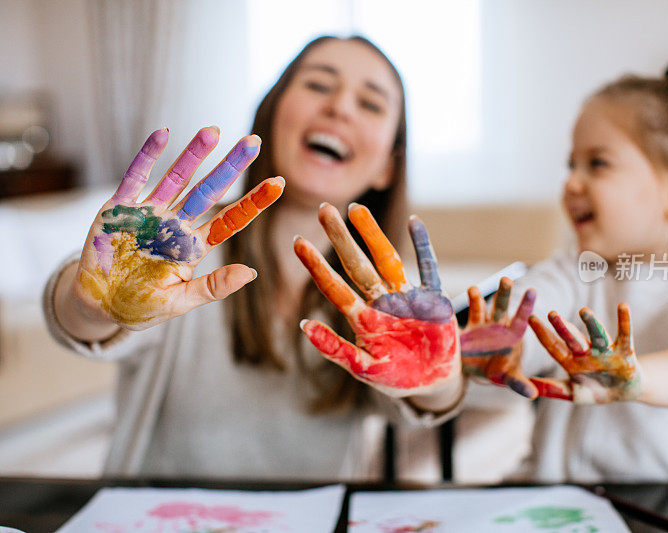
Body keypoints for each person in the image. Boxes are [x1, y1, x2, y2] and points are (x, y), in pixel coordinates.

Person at [44, 35, 464, 479]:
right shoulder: (178, 249)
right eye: (319, 85)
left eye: (371, 104)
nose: (340, 107)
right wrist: (92, 302)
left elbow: (423, 402)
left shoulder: (392, 298)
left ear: (388, 166)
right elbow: (81, 324)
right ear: (274, 111)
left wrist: (439, 379)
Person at [460, 52, 668, 482]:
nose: (570, 183)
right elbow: (532, 313)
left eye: (597, 163)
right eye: (570, 164)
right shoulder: (577, 272)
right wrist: (502, 345)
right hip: (564, 504)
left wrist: (636, 377)